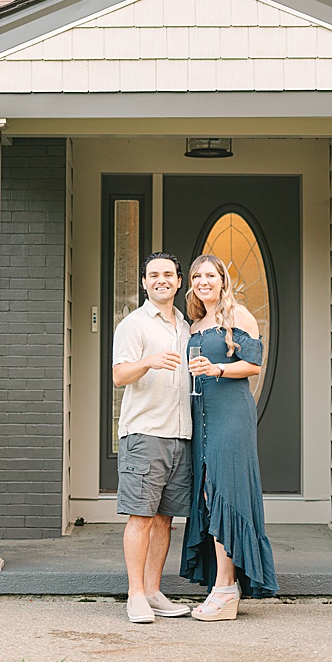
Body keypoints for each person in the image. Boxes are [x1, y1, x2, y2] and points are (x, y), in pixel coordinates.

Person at [180, 253, 278, 619]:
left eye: (210, 275)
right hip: (201, 417)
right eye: (197, 276)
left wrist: (217, 368)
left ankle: (225, 590)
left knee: (226, 493)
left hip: (231, 416)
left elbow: (254, 364)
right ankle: (223, 587)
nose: (203, 281)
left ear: (223, 279)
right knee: (208, 493)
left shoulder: (238, 316)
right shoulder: (194, 324)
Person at [110, 252, 194, 624]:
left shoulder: (186, 325)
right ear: (144, 282)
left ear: (178, 282)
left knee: (164, 519)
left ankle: (154, 590)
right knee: (141, 517)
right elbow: (119, 376)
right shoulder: (134, 325)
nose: (161, 280)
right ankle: (135, 596)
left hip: (181, 435)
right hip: (145, 434)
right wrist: (149, 362)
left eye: (169, 274)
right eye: (153, 274)